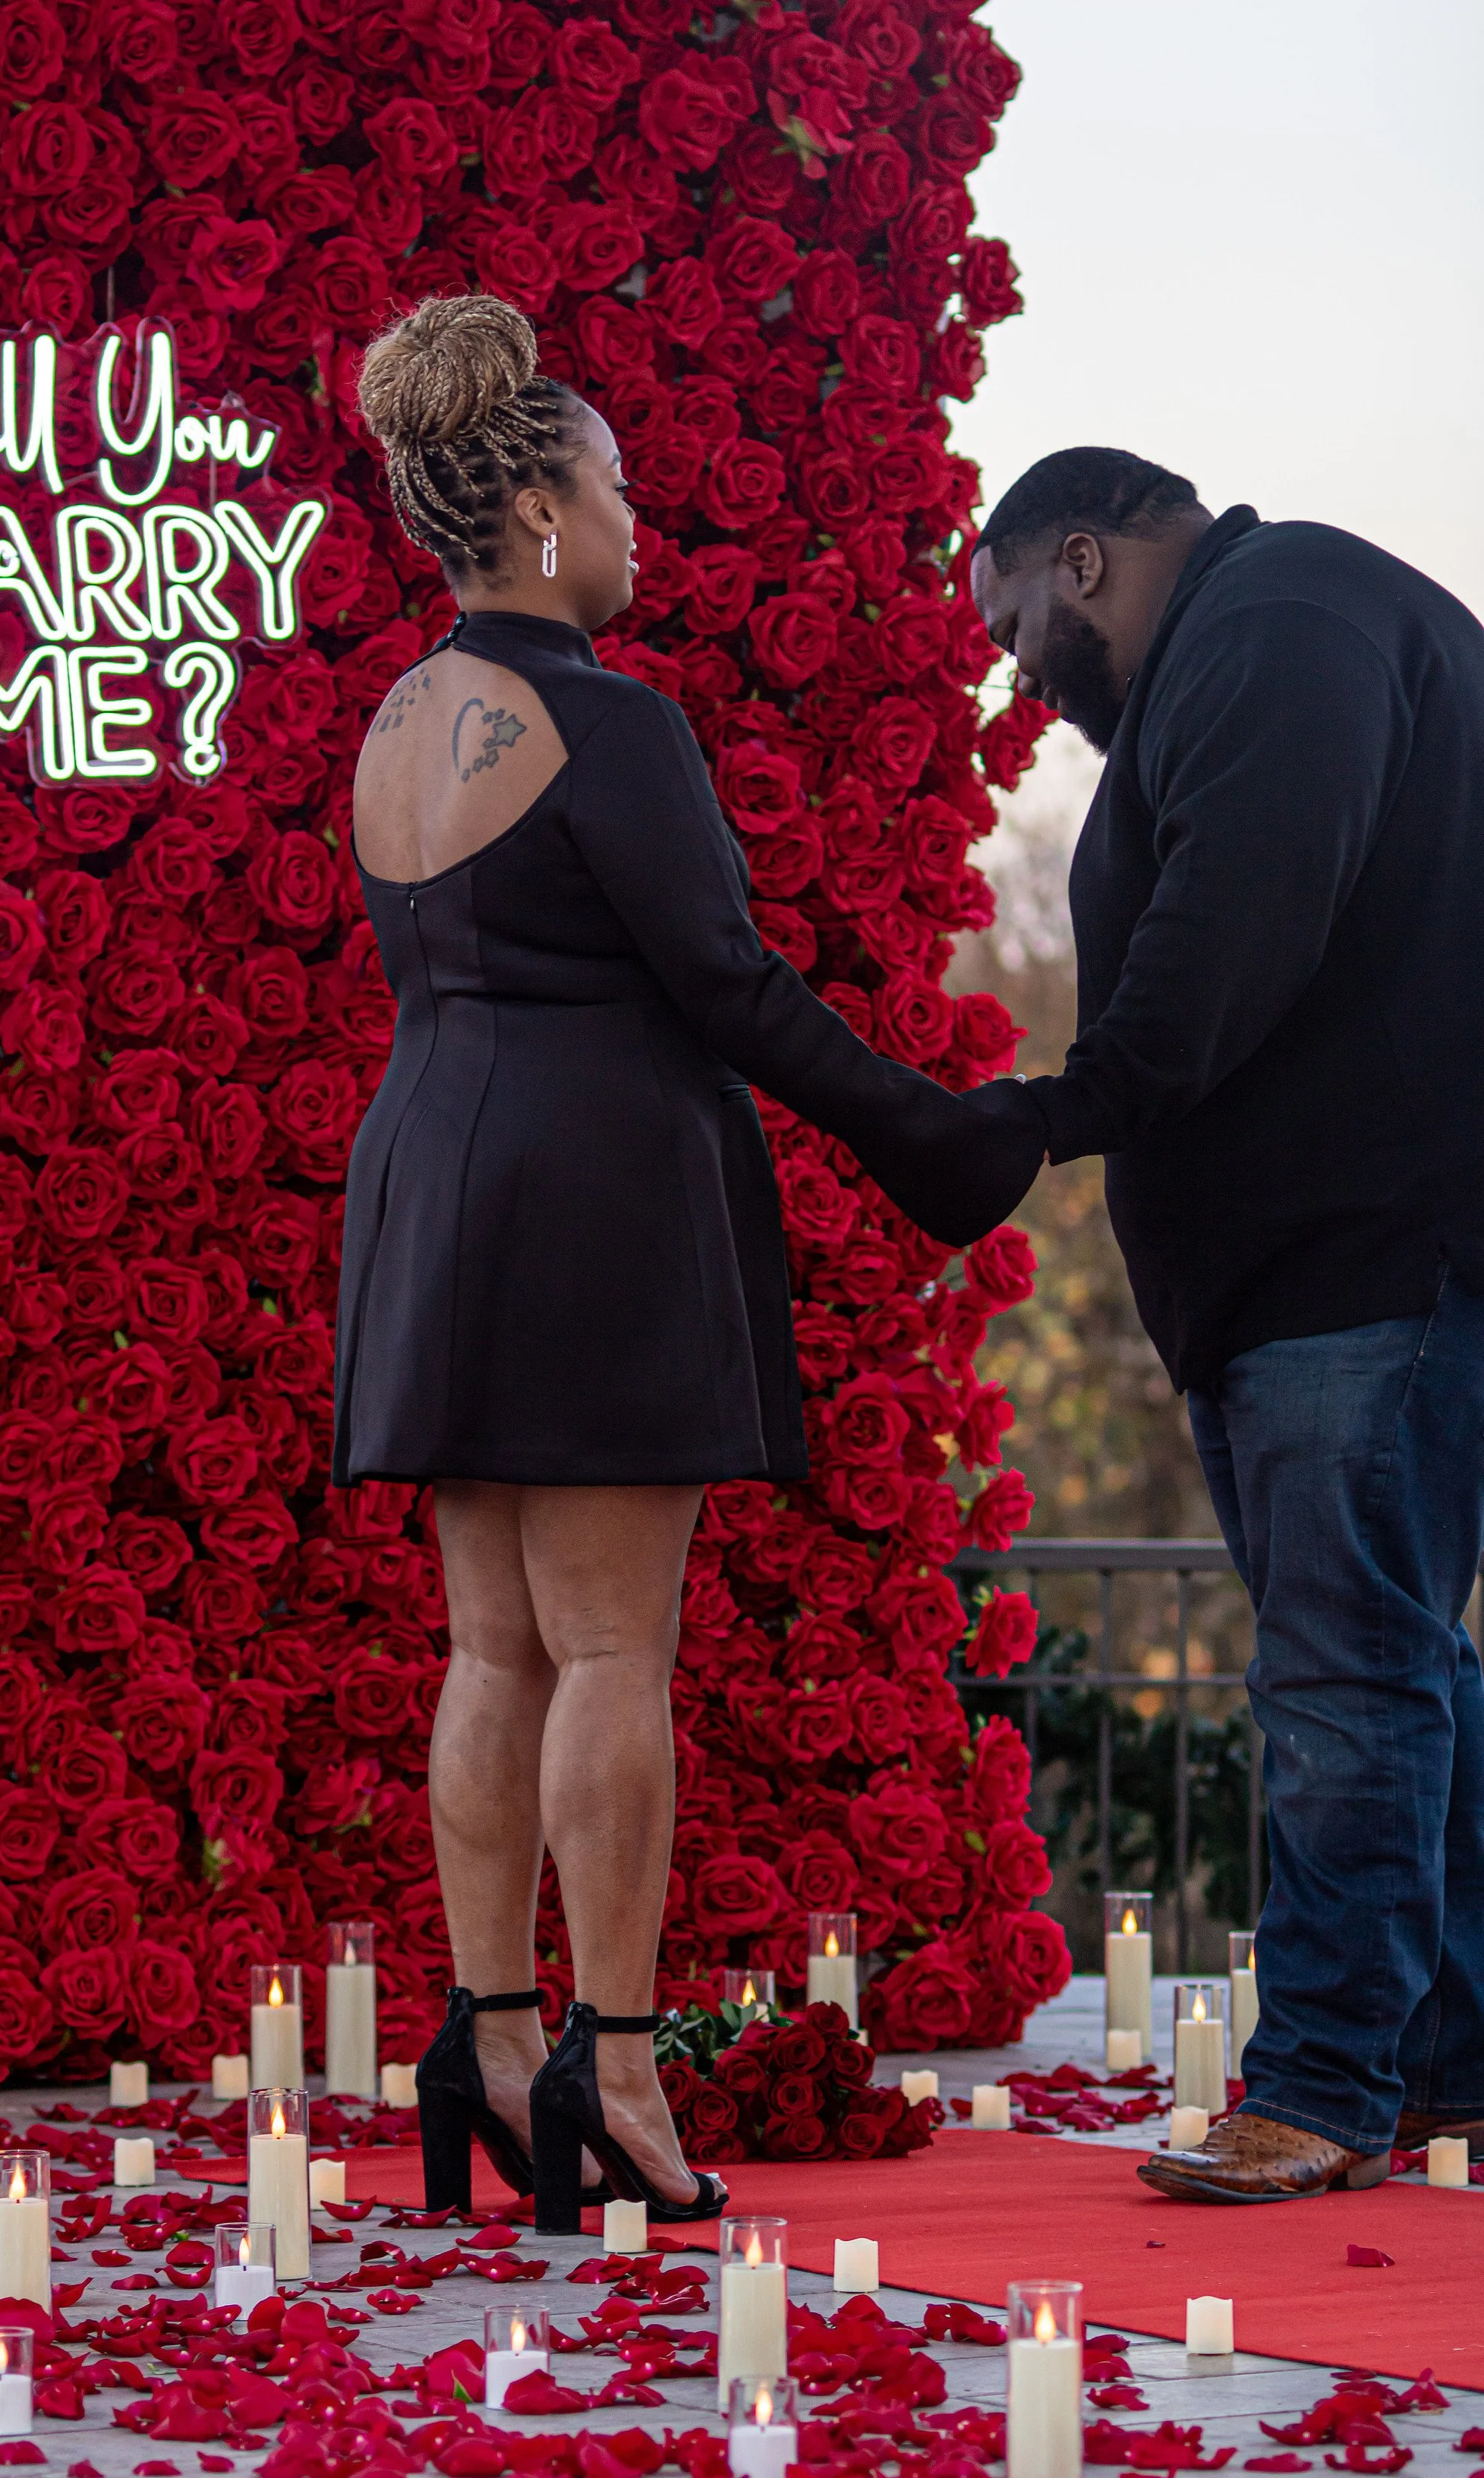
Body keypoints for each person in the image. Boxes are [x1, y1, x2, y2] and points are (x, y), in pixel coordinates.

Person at [335, 293, 1042, 2232]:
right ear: (546, 512)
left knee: (488, 1644)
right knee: (610, 1648)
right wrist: (934, 1137)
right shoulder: (606, 717)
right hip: (588, 1198)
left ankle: (487, 2034)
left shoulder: (400, 718)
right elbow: (721, 983)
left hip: (430, 1179)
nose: (641, 524)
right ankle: (617, 2066)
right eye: (621, 490)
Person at [966, 446, 1484, 2203]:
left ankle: (1327, 2081)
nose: (1015, 676)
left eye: (1017, 622)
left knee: (1345, 1677)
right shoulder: (1264, 639)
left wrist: (1047, 1109)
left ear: (1087, 557)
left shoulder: (1285, 623)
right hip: (1309, 1271)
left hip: (1358, 1259)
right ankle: (1453, 2067)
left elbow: (1225, 932)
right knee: (1400, 1667)